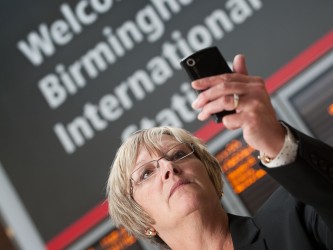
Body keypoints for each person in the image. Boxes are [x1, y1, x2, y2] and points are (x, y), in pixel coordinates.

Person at [106, 54, 333, 249]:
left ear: (210, 174)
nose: (168, 167)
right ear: (141, 220)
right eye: (146, 173)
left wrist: (275, 140)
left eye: (177, 154)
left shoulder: (296, 216)